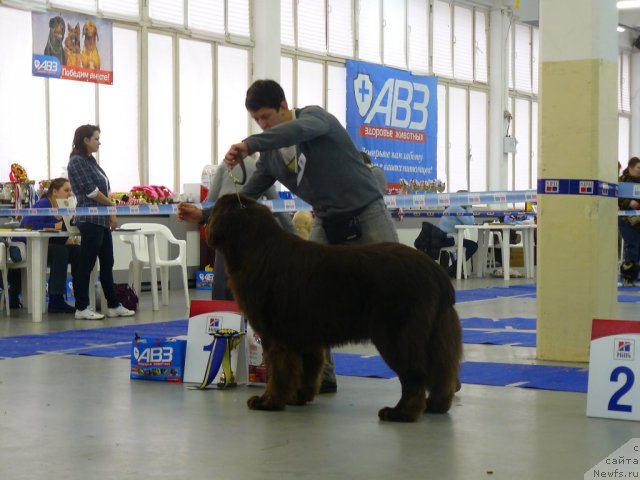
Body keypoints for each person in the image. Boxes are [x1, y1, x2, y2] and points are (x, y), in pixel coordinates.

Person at [178, 79, 398, 394]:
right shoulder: (270, 159)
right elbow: (246, 196)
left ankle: (435, 367)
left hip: (368, 211)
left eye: (266, 117)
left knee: (398, 285)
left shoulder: (316, 120)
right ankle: (322, 375)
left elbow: (295, 132)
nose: (263, 125)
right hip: (325, 219)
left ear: (284, 105)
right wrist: (205, 215)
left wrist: (252, 143)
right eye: (257, 121)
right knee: (312, 298)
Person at [67, 124, 134, 320]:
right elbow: (91, 191)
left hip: (102, 219)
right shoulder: (76, 162)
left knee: (108, 263)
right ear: (85, 140)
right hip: (89, 219)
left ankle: (113, 305)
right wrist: (111, 205)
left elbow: (104, 188)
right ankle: (81, 307)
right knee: (86, 264)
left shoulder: (91, 161)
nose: (99, 142)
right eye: (96, 139)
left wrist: (111, 213)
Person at [205, 155, 293, 301]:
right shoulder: (260, 167)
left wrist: (208, 220)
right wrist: (293, 233)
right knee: (249, 273)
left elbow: (211, 200)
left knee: (221, 270)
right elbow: (278, 205)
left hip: (224, 221)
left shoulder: (224, 165)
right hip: (248, 227)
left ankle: (220, 312)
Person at [7, 178, 79, 313]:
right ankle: (55, 300)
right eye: (66, 190)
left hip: (47, 246)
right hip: (26, 247)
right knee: (60, 252)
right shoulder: (44, 204)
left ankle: (81, 298)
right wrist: (54, 225)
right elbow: (29, 225)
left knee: (78, 251)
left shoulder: (65, 208)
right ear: (55, 191)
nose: (70, 193)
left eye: (70, 190)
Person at [438, 193, 478, 276]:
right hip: (447, 239)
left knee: (469, 244)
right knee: (473, 246)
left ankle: (454, 268)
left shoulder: (453, 207)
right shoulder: (457, 208)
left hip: (442, 238)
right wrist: (469, 208)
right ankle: (454, 268)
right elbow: (470, 222)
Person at [618, 157, 640, 274]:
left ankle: (637, 274)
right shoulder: (621, 180)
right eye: (638, 167)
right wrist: (629, 202)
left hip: (639, 219)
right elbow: (617, 198)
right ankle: (629, 275)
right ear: (631, 167)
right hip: (626, 220)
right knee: (632, 245)